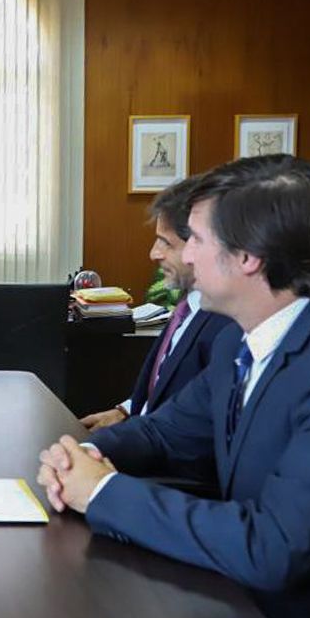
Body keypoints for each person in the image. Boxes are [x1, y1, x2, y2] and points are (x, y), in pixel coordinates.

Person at [36, 154, 310, 618]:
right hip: (222, 598)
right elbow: (166, 430)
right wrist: (90, 455)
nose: (185, 257)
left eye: (198, 240)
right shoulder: (239, 339)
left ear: (249, 255)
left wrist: (101, 492)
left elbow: (274, 548)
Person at [80, 176, 234, 431]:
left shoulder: (225, 322)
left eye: (166, 242)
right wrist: (125, 411)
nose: (154, 253)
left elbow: (197, 428)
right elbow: (164, 388)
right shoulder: (188, 306)